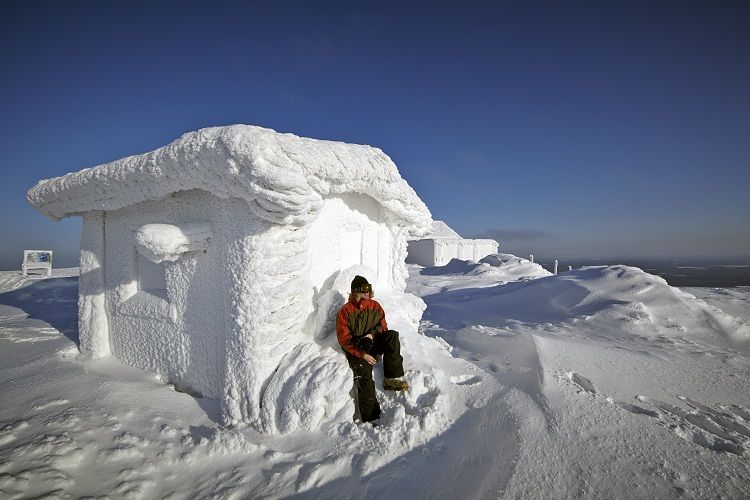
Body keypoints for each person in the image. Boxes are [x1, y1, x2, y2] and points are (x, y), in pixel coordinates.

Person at [336, 275, 409, 423]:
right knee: (365, 376)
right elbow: (344, 339)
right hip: (356, 350)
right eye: (364, 289)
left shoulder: (375, 306)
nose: (367, 292)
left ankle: (391, 379)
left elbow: (383, 326)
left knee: (391, 336)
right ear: (355, 292)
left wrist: (371, 335)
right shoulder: (346, 311)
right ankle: (371, 417)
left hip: (372, 343)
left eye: (369, 288)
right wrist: (362, 354)